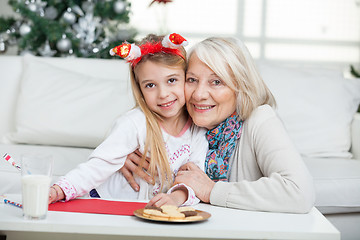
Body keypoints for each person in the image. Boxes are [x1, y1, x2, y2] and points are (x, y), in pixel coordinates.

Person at [121, 36, 316, 213]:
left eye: (216, 82)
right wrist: (122, 154)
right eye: (192, 80)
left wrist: (211, 190)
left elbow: (299, 192)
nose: (199, 94)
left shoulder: (260, 119)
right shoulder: (178, 120)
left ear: (241, 87)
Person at [48, 33, 208, 207]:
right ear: (140, 89)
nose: (163, 94)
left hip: (146, 211)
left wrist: (175, 198)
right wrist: (59, 190)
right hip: (104, 203)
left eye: (171, 80)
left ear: (187, 79)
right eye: (150, 85)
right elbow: (98, 165)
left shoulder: (196, 130)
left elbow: (194, 178)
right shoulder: (134, 123)